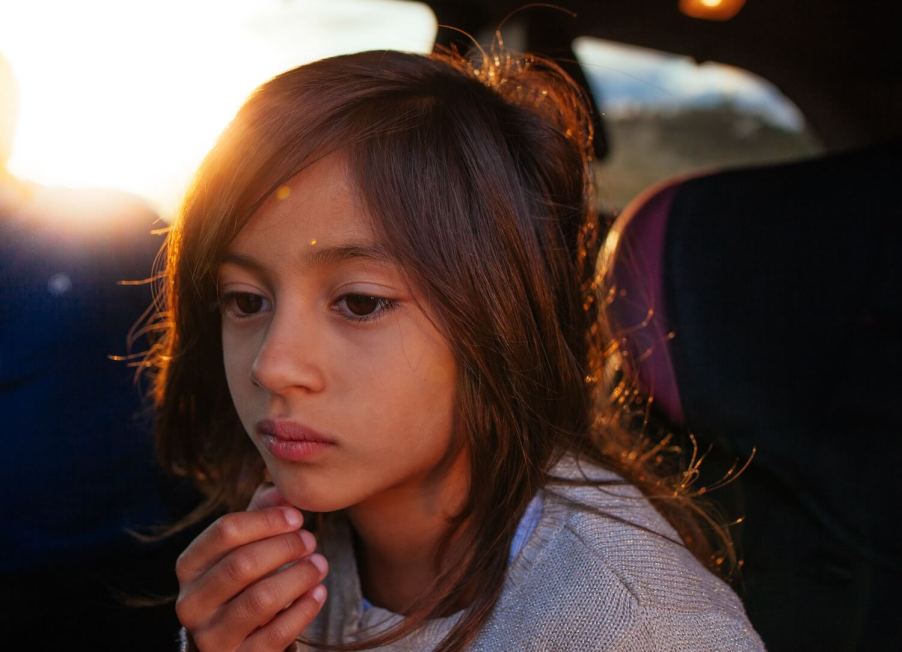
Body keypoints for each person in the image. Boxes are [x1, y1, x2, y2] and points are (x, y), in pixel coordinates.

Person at [149, 47, 764, 651]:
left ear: (499, 317)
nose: (272, 366)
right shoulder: (270, 563)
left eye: (360, 303)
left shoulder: (642, 629)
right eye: (246, 300)